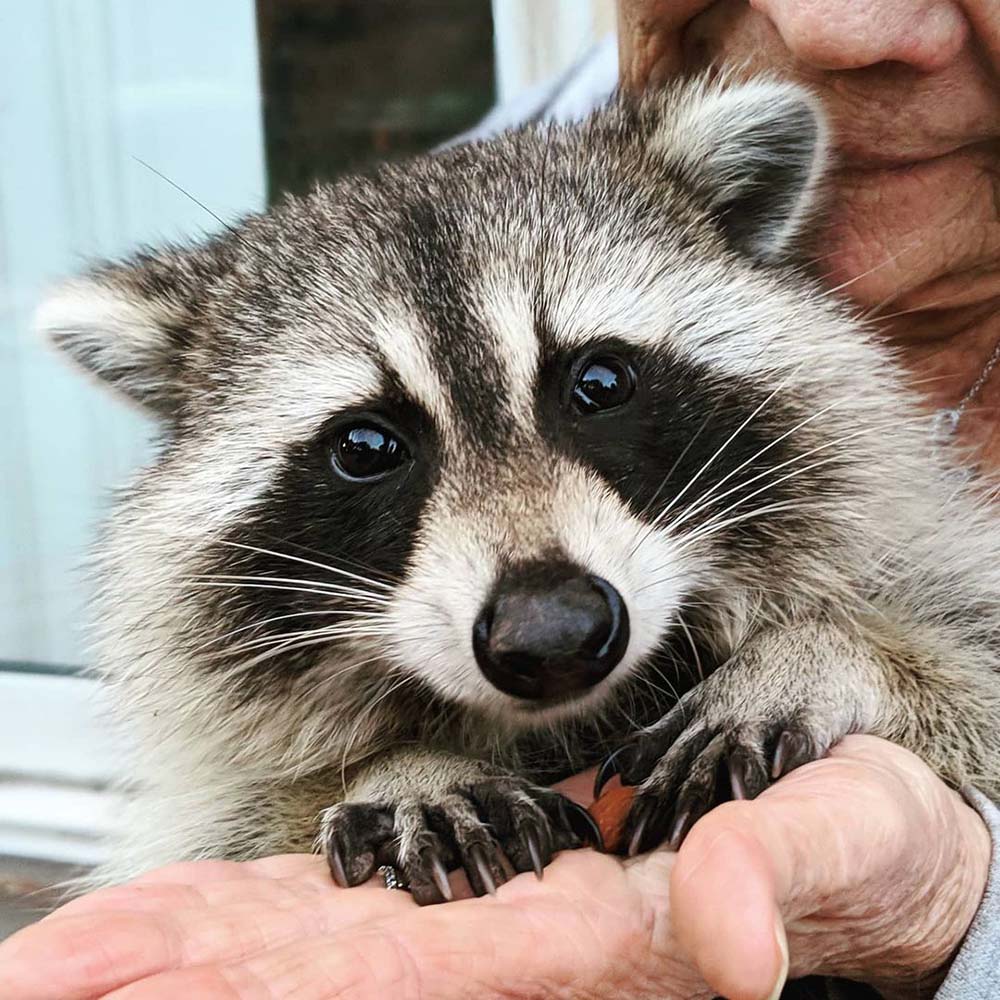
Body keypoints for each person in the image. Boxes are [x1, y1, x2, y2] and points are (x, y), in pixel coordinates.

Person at [1, 1, 997, 997]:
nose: (835, 27)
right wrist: (374, 792)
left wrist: (938, 862)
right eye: (367, 449)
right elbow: (240, 823)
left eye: (596, 390)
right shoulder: (445, 214)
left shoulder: (619, 186)